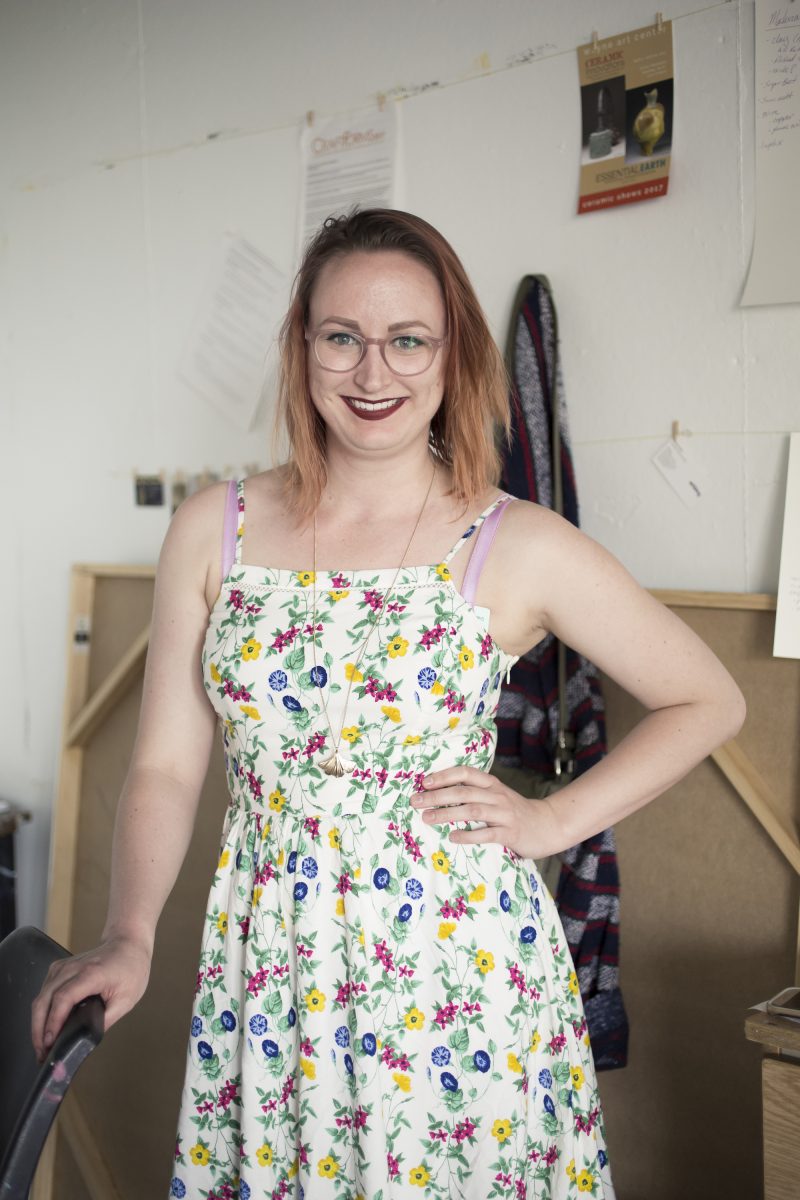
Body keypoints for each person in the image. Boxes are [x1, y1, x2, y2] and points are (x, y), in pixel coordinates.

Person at [32, 208, 745, 1199]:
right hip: (271, 965)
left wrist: (551, 820)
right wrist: (131, 932)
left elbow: (705, 699)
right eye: (342, 338)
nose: (373, 373)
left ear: (451, 355)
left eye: (407, 340)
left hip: (451, 980)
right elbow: (163, 764)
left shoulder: (514, 541)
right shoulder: (214, 530)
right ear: (302, 348)